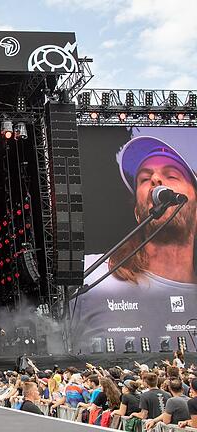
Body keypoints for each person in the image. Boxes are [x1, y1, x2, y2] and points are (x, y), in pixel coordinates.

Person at [76, 136, 197, 351]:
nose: (156, 179)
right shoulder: (90, 274)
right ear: (137, 214)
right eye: (144, 178)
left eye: (172, 175)